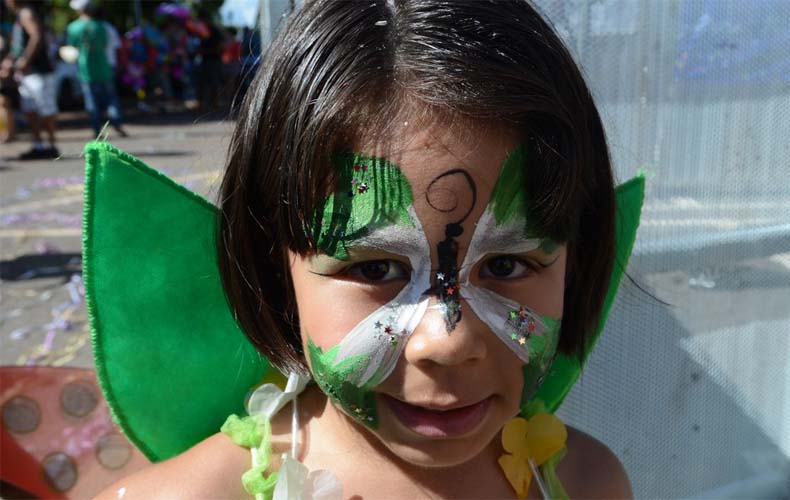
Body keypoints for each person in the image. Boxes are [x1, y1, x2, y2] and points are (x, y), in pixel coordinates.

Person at [93, 1, 640, 498]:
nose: (446, 343)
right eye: (376, 267)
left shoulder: (589, 484)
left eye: (505, 265)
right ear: (274, 270)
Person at [66, 0, 127, 138]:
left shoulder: (73, 27)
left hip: (85, 68)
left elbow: (72, 47)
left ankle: (96, 129)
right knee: (111, 98)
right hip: (104, 66)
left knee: (91, 100)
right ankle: (117, 123)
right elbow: (106, 44)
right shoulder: (101, 26)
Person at [6, 0, 59, 159]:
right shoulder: (20, 14)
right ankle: (38, 145)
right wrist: (10, 60)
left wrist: (25, 60)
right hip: (27, 73)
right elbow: (18, 46)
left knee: (45, 109)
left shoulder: (26, 12)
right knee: (30, 110)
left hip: (38, 71)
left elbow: (36, 36)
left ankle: (51, 144)